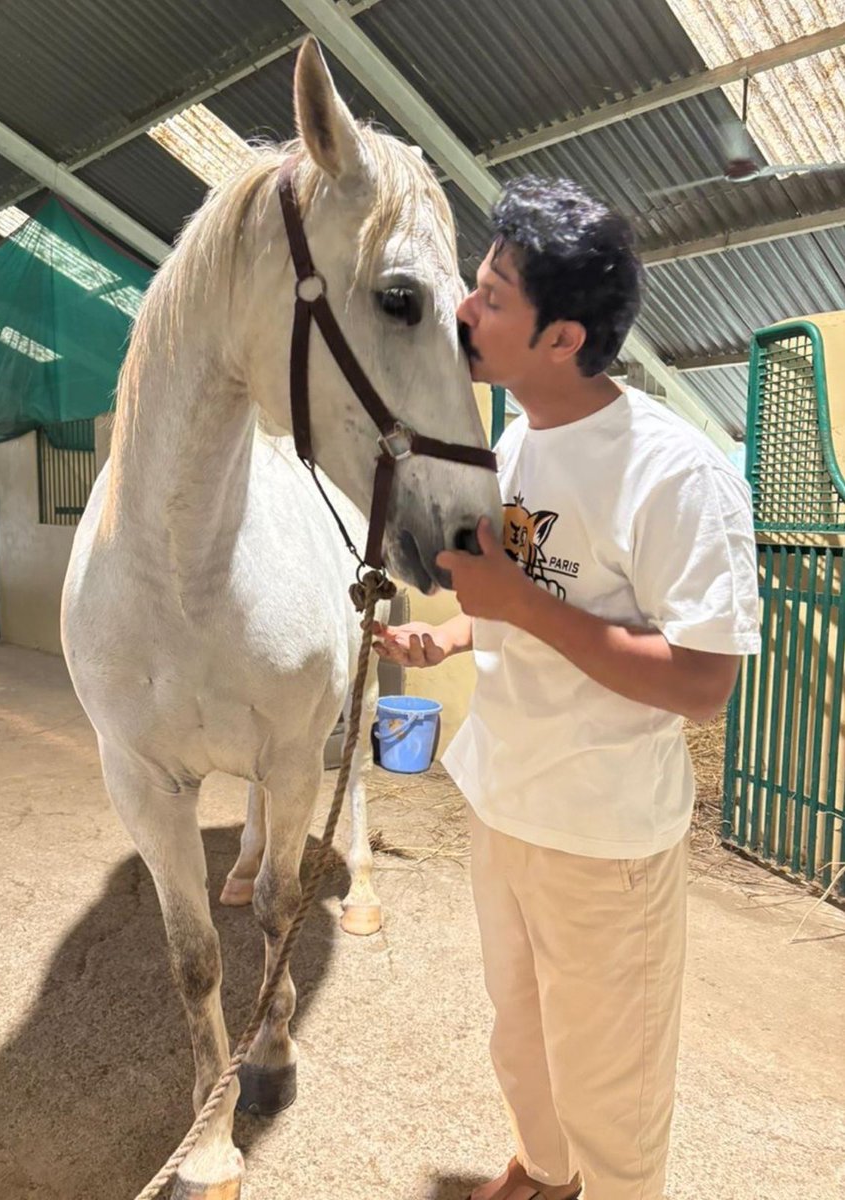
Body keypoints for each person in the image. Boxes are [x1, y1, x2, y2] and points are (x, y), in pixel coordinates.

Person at [373, 177, 761, 1200]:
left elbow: (705, 683)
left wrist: (511, 601)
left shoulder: (675, 473)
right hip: (506, 801)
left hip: (603, 839)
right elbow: (522, 600)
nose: (465, 310)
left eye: (494, 296)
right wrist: (451, 634)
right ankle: (546, 1175)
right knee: (522, 1039)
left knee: (613, 1087)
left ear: (562, 338)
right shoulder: (515, 438)